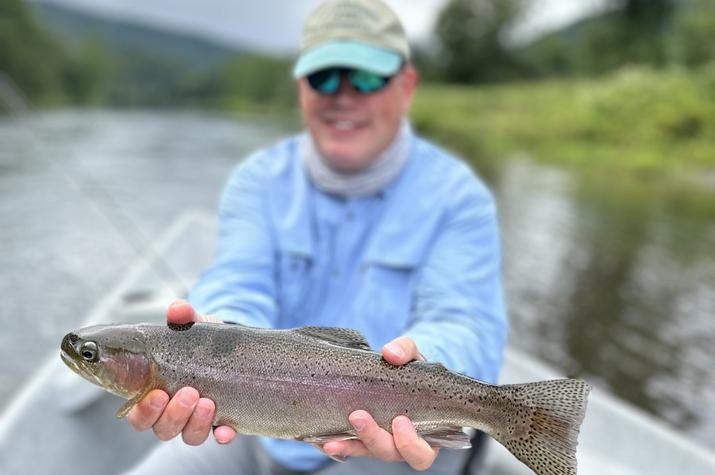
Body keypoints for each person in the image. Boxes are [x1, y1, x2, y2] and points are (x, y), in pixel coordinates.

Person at [125, 0, 507, 473]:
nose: (342, 96)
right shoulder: (258, 180)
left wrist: (425, 362)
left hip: (398, 446)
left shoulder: (459, 197)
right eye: (324, 77)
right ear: (302, 88)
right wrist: (212, 335)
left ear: (407, 87)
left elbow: (467, 322)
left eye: (366, 78)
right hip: (255, 426)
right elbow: (238, 280)